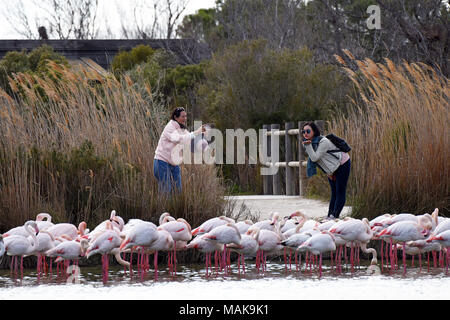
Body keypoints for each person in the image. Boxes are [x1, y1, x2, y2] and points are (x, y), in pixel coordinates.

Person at [301, 122, 351, 219]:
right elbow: (319, 161)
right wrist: (328, 172)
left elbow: (315, 158)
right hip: (332, 168)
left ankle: (334, 216)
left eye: (308, 131)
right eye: (303, 132)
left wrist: (308, 146)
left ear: (314, 131)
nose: (305, 134)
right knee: (334, 192)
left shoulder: (323, 142)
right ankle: (330, 216)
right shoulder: (311, 144)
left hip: (342, 163)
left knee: (340, 191)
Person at [154, 107, 205, 193]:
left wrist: (202, 135)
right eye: (182, 117)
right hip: (161, 162)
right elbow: (179, 139)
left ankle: (176, 206)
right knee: (166, 191)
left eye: (186, 116)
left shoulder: (181, 128)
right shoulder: (170, 127)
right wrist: (196, 132)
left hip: (174, 163)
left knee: (178, 191)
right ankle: (164, 206)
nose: (185, 119)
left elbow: (189, 139)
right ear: (175, 117)